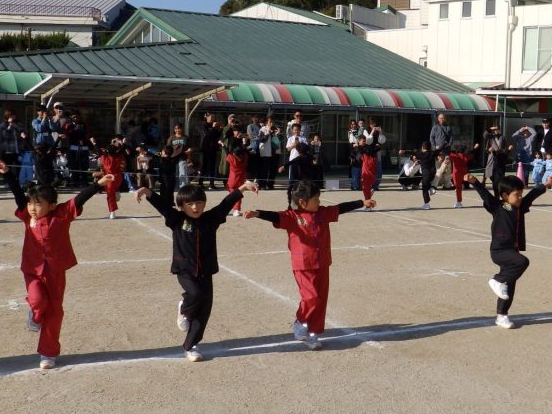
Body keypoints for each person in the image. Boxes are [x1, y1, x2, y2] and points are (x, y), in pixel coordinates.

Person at [0, 158, 114, 369]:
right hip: (32, 269)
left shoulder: (61, 215)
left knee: (55, 311)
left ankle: (48, 353)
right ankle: (35, 313)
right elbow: (17, 195)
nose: (32, 207)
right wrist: (7, 174)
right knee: (38, 299)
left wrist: (98, 184)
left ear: (51, 206)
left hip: (55, 271)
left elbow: (79, 200)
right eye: (31, 203)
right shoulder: (26, 215)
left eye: (38, 204)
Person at [134, 180, 259, 362]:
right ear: (181, 206)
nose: (195, 207)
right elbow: (163, 207)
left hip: (206, 270)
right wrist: (147, 191)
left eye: (199, 203)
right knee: (195, 294)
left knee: (205, 309)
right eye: (190, 204)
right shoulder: (176, 219)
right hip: (184, 269)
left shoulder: (210, 219)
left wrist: (241, 189)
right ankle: (184, 309)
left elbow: (225, 205)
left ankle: (191, 346)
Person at [243, 181, 375, 350]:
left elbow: (340, 208)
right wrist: (257, 213)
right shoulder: (292, 216)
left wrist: (361, 202)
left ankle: (313, 333)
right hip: (303, 265)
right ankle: (300, 321)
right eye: (316, 199)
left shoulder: (323, 213)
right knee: (311, 298)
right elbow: (275, 216)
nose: (319, 202)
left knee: (321, 300)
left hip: (323, 263)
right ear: (303, 202)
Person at [465, 172, 551, 329]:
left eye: (521, 194)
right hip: (499, 251)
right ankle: (497, 279)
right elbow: (486, 196)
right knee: (522, 262)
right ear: (505, 195)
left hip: (512, 250)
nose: (520, 197)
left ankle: (502, 315)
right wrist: (475, 182)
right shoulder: (498, 207)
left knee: (509, 285)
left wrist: (544, 185)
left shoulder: (520, 207)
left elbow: (532, 196)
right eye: (516, 195)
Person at [91, 136, 126, 219]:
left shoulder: (105, 158)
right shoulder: (118, 157)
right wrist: (123, 143)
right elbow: (121, 150)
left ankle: (112, 212)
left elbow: (99, 152)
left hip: (109, 178)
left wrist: (94, 143)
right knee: (113, 192)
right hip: (118, 178)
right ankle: (116, 191)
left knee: (110, 195)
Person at [399, 141, 437, 210]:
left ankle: (426, 204)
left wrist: (404, 151)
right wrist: (445, 145)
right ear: (430, 147)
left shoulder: (421, 154)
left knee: (424, 188)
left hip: (426, 173)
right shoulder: (433, 153)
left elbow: (413, 152)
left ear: (422, 148)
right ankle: (431, 188)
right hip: (433, 173)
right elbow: (439, 150)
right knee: (427, 182)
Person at [449, 143, 478, 208]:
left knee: (458, 188)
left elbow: (449, 154)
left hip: (456, 174)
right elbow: (471, 153)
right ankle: (464, 185)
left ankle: (459, 202)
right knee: (467, 183)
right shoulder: (466, 156)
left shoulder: (455, 156)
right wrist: (475, 148)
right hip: (464, 172)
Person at [484, 125, 511, 195]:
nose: (496, 130)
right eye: (495, 129)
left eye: (497, 129)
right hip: (492, 156)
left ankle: (498, 187)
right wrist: (490, 128)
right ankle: (487, 181)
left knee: (500, 173)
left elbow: (505, 147)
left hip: (500, 156)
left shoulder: (503, 137)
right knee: (489, 170)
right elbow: (484, 135)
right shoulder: (490, 136)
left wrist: (505, 151)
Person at [66, 111, 90, 187]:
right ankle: (75, 181)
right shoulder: (69, 125)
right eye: (74, 117)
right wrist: (74, 130)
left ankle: (84, 181)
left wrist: (84, 139)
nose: (76, 118)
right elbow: (67, 135)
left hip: (84, 147)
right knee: (74, 165)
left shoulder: (84, 125)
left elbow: (88, 134)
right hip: (73, 147)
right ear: (71, 118)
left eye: (77, 117)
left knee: (84, 165)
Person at [198, 112, 221, 190]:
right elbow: (207, 135)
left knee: (212, 167)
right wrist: (214, 128)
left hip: (213, 149)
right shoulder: (203, 125)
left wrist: (219, 128)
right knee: (204, 167)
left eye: (213, 117)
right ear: (206, 117)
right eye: (211, 117)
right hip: (205, 149)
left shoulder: (214, 125)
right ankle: (200, 183)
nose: (212, 119)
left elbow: (217, 135)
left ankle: (211, 184)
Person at [357, 136, 380, 209]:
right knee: (366, 189)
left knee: (366, 189)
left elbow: (361, 153)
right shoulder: (366, 150)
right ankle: (369, 202)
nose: (363, 142)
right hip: (368, 171)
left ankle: (368, 206)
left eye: (364, 141)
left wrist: (359, 146)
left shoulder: (366, 149)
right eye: (362, 141)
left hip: (367, 172)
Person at [226, 145, 248, 217]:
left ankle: (234, 209)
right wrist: (244, 146)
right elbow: (245, 154)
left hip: (232, 181)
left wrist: (223, 146)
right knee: (238, 195)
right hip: (240, 180)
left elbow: (228, 155)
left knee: (233, 195)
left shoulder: (232, 159)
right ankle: (237, 210)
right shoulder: (244, 158)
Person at [364, 118, 386, 190]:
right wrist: (372, 132)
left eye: (375, 124)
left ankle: (376, 185)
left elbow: (382, 141)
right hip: (369, 152)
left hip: (377, 151)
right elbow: (368, 141)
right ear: (369, 124)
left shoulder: (378, 131)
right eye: (372, 124)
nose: (374, 125)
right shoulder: (365, 131)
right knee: (370, 168)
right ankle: (369, 184)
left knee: (378, 169)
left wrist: (381, 132)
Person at [257, 117, 278, 190]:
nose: (271, 123)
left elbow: (276, 142)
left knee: (272, 170)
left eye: (272, 122)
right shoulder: (263, 129)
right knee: (264, 169)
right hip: (264, 152)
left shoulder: (274, 130)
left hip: (272, 153)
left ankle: (270, 184)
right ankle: (262, 185)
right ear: (266, 123)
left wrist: (276, 134)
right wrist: (268, 133)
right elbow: (262, 140)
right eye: (270, 122)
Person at [167, 123, 189, 189]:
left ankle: (183, 188)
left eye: (179, 128)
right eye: (176, 129)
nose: (177, 130)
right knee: (175, 173)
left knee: (182, 173)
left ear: (181, 129)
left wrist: (190, 152)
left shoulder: (185, 137)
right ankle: (175, 187)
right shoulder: (171, 138)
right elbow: (167, 148)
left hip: (182, 157)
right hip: (173, 158)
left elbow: (190, 147)